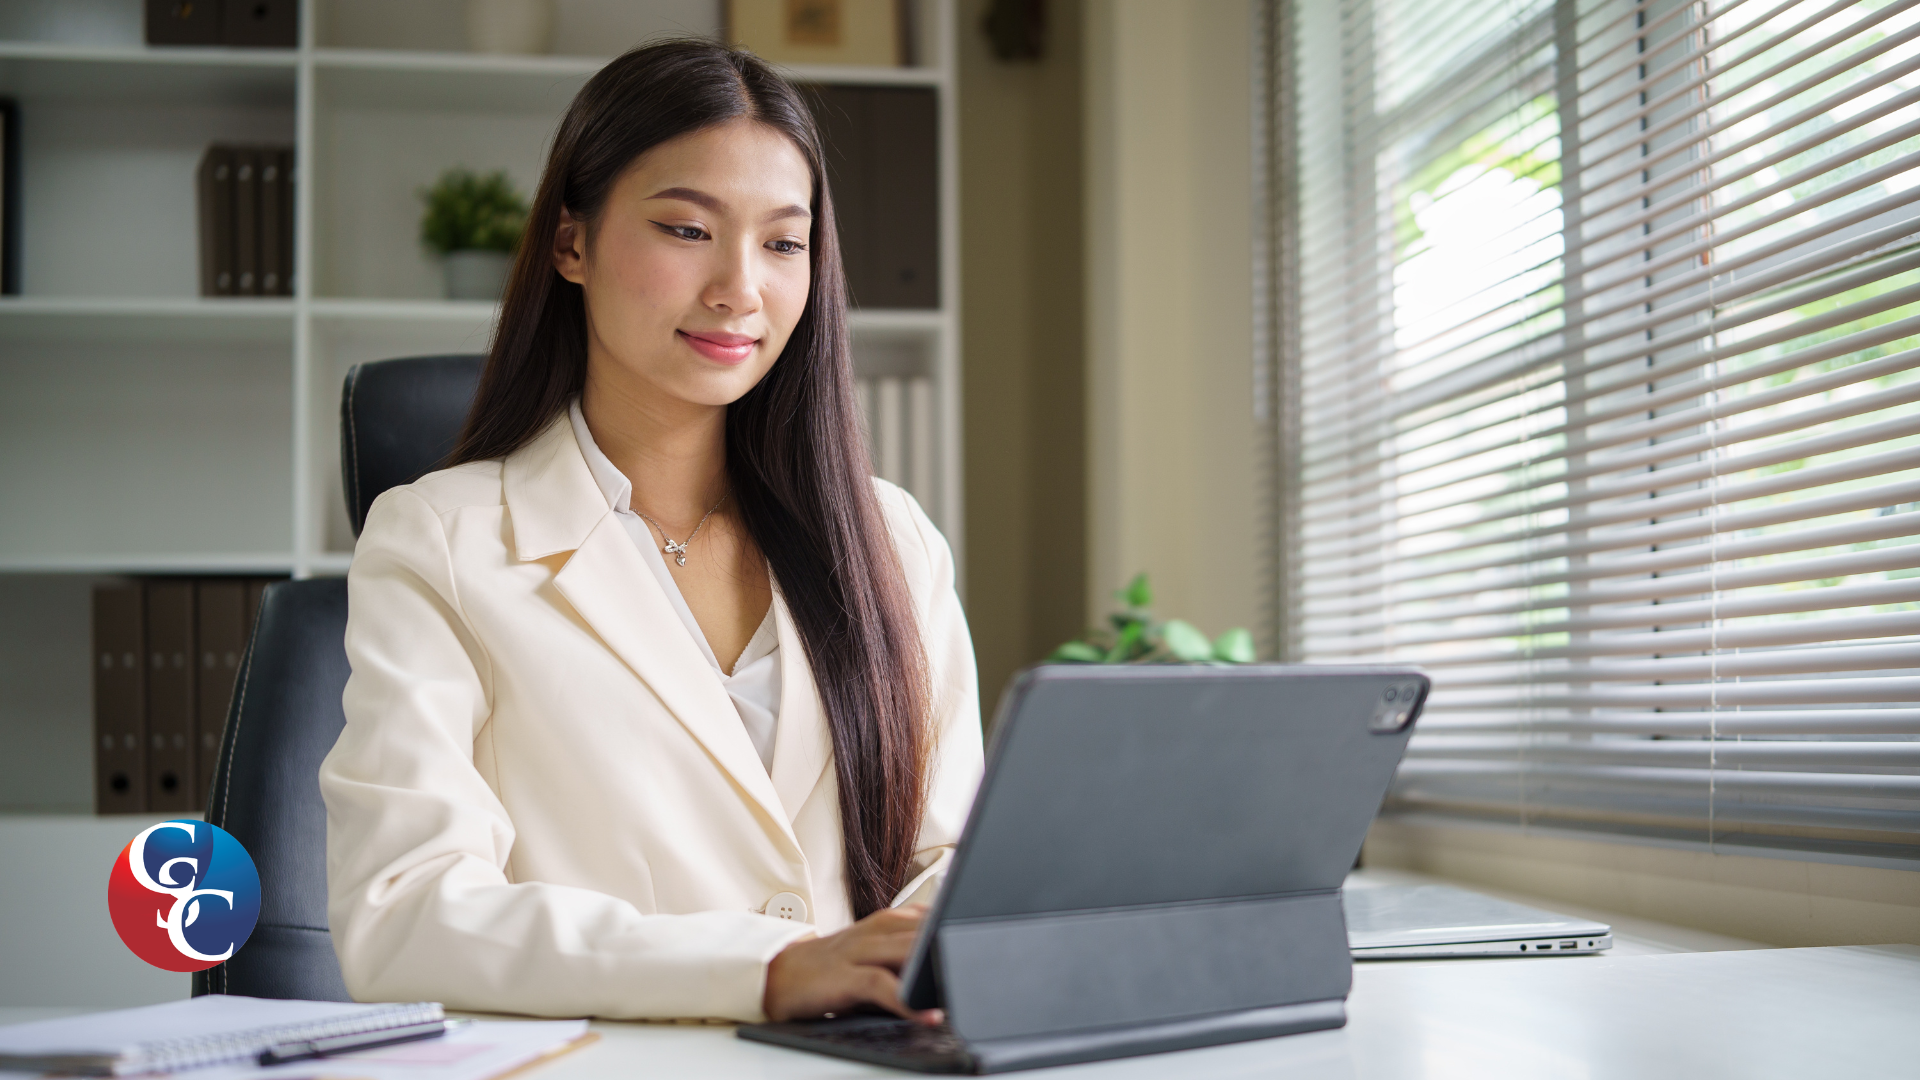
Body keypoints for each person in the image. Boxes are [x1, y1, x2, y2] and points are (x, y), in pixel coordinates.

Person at [319, 39, 982, 1025]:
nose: (739, 288)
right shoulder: (441, 543)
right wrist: (766, 969)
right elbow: (405, 913)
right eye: (686, 228)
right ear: (570, 243)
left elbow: (950, 865)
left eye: (783, 242)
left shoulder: (890, 538)